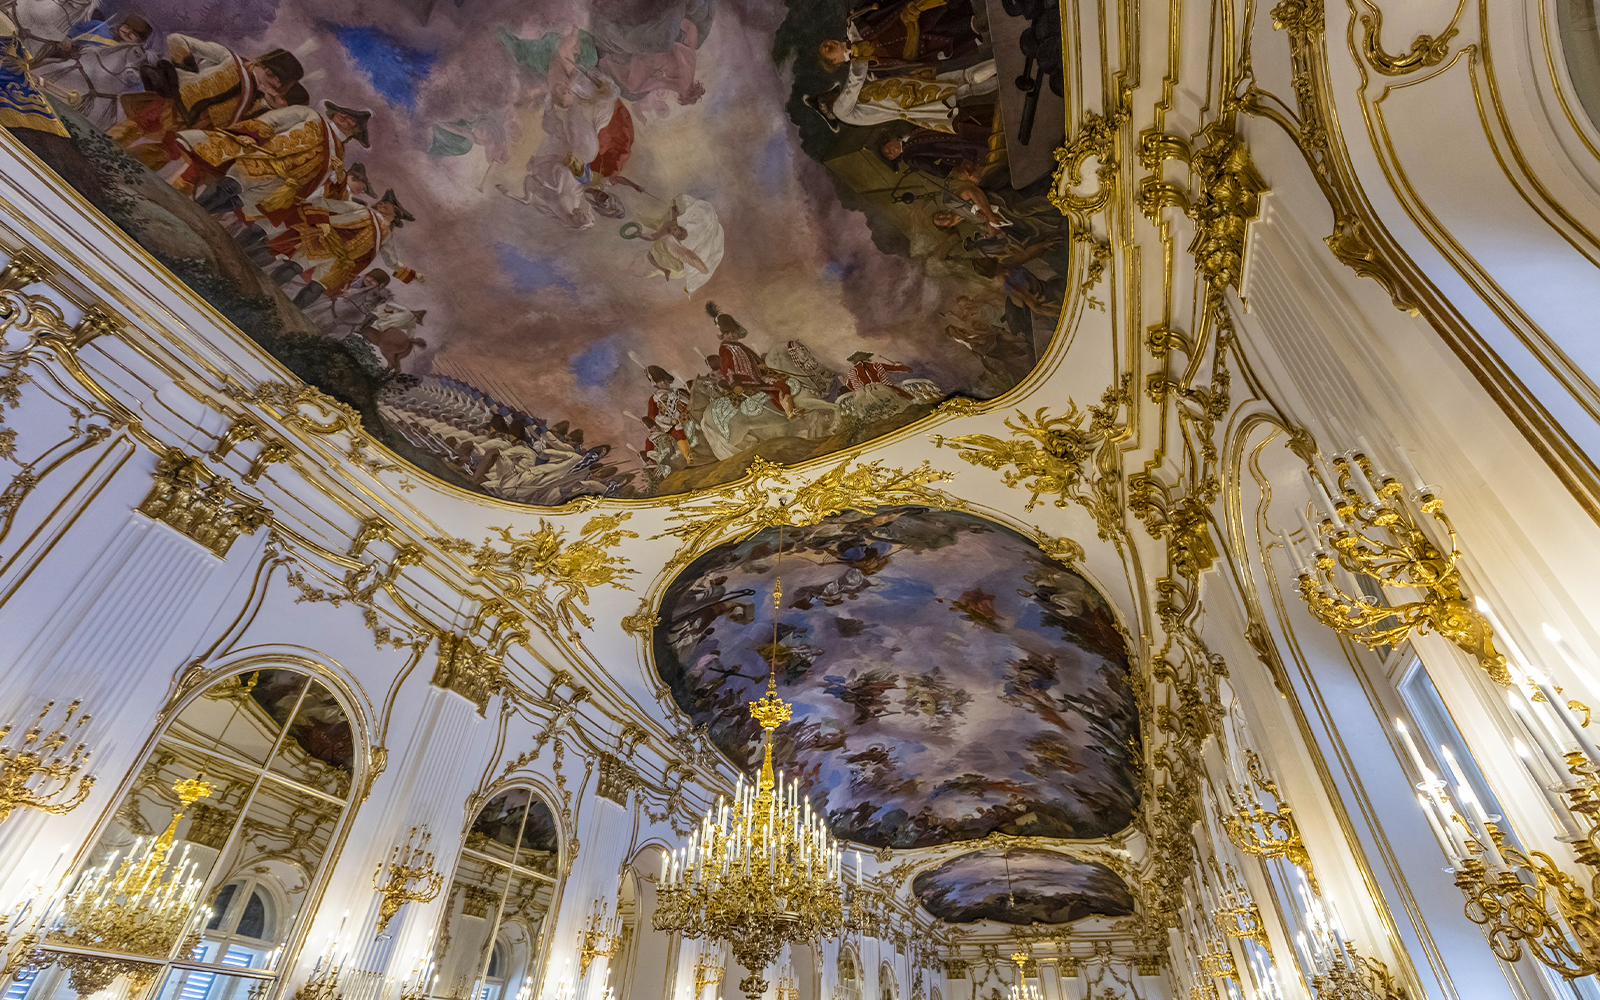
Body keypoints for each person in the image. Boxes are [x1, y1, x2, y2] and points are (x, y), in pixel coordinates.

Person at [109, 35, 304, 172]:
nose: (269, 85)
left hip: (197, 129)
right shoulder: (229, 58)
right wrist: (187, 69)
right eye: (270, 77)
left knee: (163, 154)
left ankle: (122, 171)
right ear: (263, 66)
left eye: (277, 85)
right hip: (175, 104)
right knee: (135, 127)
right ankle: (102, 147)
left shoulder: (261, 101)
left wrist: (271, 105)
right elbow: (177, 40)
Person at [173, 100, 372, 222]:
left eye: (351, 120)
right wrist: (250, 135)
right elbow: (272, 120)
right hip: (264, 161)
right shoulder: (311, 116)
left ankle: (195, 218)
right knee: (228, 187)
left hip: (281, 187)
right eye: (344, 114)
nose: (344, 117)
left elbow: (321, 184)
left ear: (356, 132)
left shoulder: (339, 155)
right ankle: (185, 214)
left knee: (236, 203)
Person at [269, 189, 417, 308]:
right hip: (323, 244)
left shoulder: (386, 236)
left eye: (387, 204)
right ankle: (264, 290)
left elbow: (391, 260)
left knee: (317, 287)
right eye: (382, 201)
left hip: (340, 263)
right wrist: (322, 223)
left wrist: (412, 275)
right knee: (295, 267)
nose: (382, 203)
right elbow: (324, 203)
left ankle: (289, 311)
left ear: (396, 213)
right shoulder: (361, 210)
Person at [30, 13, 152, 130]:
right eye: (127, 27)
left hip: (98, 89)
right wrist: (68, 38)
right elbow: (74, 30)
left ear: (140, 41)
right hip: (72, 57)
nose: (127, 32)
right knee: (47, 59)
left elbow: (136, 86)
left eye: (134, 33)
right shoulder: (99, 27)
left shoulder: (134, 58)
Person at [810, 57, 996, 132]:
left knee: (965, 90)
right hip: (909, 95)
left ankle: (1002, 76)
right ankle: (1001, 65)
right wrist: (855, 55)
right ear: (827, 108)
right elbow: (856, 79)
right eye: (823, 100)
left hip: (909, 101)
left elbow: (870, 95)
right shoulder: (841, 109)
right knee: (962, 79)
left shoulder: (849, 112)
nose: (827, 96)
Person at [816, 0, 982, 73]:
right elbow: (902, 63)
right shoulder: (862, 69)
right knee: (970, 25)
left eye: (827, 43)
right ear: (835, 62)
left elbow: (883, 8)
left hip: (919, 14)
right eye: (828, 49)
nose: (831, 44)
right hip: (923, 41)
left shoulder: (853, 23)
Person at [708, 303, 801, 419]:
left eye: (733, 332)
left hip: (757, 377)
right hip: (745, 382)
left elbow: (752, 356)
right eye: (727, 333)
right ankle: (790, 412)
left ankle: (788, 409)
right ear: (722, 335)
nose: (731, 335)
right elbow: (727, 368)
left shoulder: (740, 346)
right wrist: (734, 384)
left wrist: (760, 364)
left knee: (780, 385)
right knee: (781, 387)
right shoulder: (724, 349)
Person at [642, 365, 694, 468]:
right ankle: (688, 457)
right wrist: (671, 421)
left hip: (690, 416)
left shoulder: (680, 392)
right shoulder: (654, 399)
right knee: (679, 432)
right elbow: (653, 416)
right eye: (660, 381)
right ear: (655, 384)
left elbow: (692, 401)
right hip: (672, 425)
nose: (664, 383)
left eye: (665, 379)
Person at [359, 303, 427, 372]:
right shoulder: (412, 324)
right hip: (389, 328)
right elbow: (410, 337)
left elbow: (390, 304)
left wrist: (387, 311)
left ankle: (359, 328)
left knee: (370, 315)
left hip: (383, 322)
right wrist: (412, 343)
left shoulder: (406, 310)